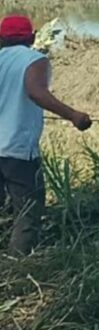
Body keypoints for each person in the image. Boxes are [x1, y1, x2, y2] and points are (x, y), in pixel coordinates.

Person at [0, 13, 91, 255]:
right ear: (32, 37)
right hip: (16, 148)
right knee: (28, 208)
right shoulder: (34, 59)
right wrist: (73, 115)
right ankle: (20, 264)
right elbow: (36, 92)